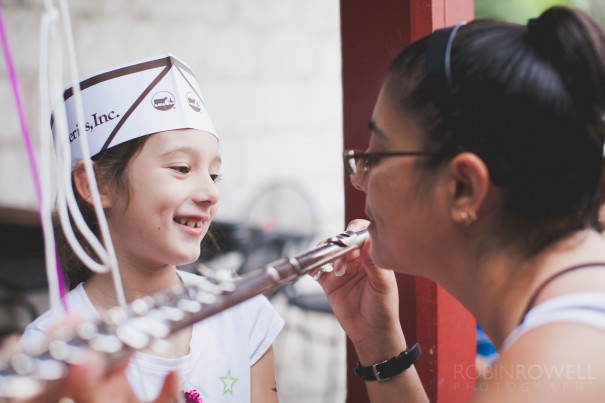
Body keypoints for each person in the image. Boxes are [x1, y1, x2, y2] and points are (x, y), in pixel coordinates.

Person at [318, 5, 605, 402]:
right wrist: (378, 344)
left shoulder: (546, 378)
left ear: (462, 187)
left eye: (377, 156)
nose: (360, 178)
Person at [20, 55, 284, 403]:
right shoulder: (51, 356)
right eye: (181, 168)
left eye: (214, 173)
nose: (211, 193)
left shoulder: (244, 314)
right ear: (96, 185)